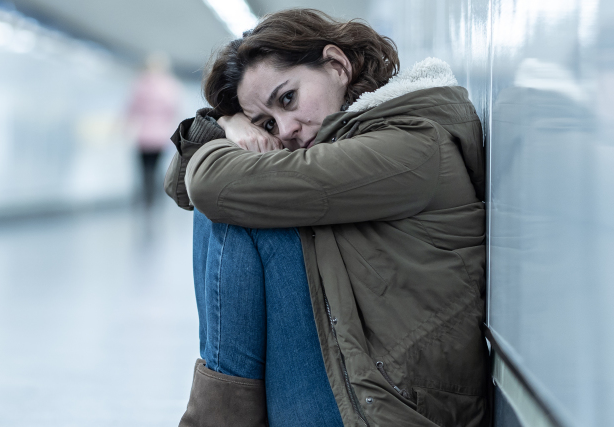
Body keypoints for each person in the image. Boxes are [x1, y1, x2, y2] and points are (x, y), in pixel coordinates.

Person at [165, 9, 489, 427]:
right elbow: (180, 186)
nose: (284, 129)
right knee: (239, 199)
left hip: (394, 407)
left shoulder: (412, 144)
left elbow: (208, 186)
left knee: (236, 205)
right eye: (265, 122)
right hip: (362, 375)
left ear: (337, 65)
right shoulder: (346, 138)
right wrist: (226, 122)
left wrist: (228, 133)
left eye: (288, 99)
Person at [126, 51, 182, 207]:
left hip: (143, 136)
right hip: (160, 136)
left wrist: (125, 126)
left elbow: (131, 108)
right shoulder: (170, 85)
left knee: (145, 170)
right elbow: (173, 110)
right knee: (156, 169)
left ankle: (146, 198)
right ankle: (154, 199)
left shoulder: (140, 83)